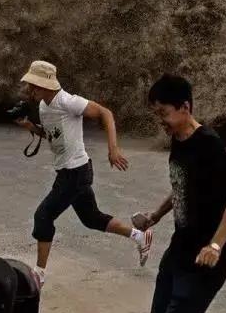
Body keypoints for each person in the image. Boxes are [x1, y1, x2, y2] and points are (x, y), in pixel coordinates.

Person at [15, 60, 152, 287]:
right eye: (30, 85)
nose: (31, 90)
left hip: (75, 172)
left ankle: (39, 274)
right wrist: (31, 128)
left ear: (47, 84)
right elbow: (52, 136)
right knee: (91, 218)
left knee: (43, 216)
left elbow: (105, 113)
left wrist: (113, 148)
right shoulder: (44, 106)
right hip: (70, 172)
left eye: (34, 85)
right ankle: (139, 236)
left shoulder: (68, 101)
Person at [139, 74, 226, 313]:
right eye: (157, 114)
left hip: (204, 262)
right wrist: (155, 215)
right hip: (178, 252)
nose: (161, 121)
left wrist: (216, 246)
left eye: (164, 113)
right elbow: (182, 185)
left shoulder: (209, 144)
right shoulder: (178, 139)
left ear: (185, 107)